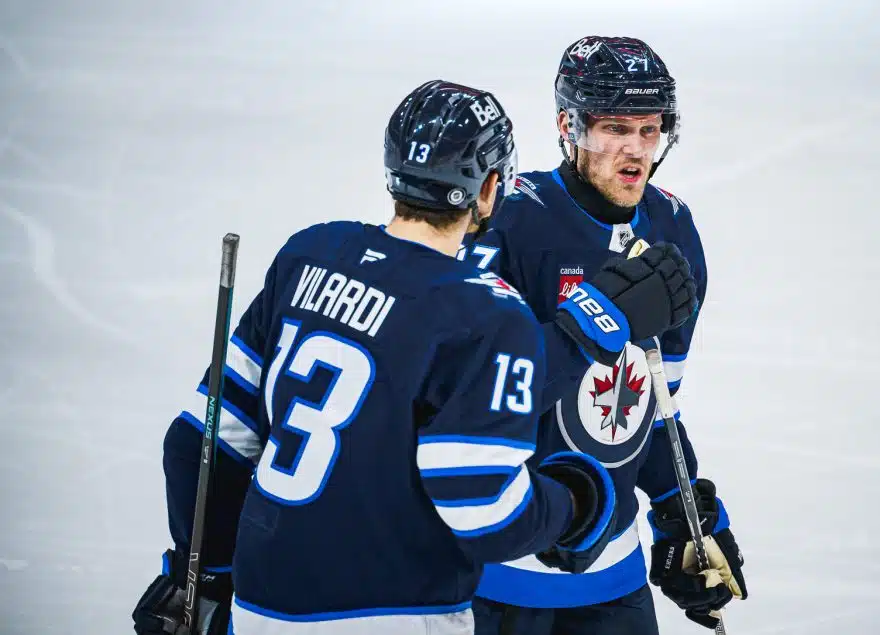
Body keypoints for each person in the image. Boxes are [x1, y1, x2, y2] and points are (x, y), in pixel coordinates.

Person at [131, 79, 697, 635]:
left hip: (260, 607)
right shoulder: (484, 312)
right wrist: (575, 504)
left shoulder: (311, 253)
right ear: (489, 188)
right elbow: (480, 505)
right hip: (397, 609)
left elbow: (198, 442)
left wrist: (204, 575)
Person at [461, 37, 749, 634]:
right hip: (495, 579)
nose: (635, 149)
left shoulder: (673, 227)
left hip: (615, 580)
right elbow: (466, 400)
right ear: (568, 126)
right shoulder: (508, 221)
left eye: (650, 130)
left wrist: (680, 509)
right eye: (615, 128)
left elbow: (653, 403)